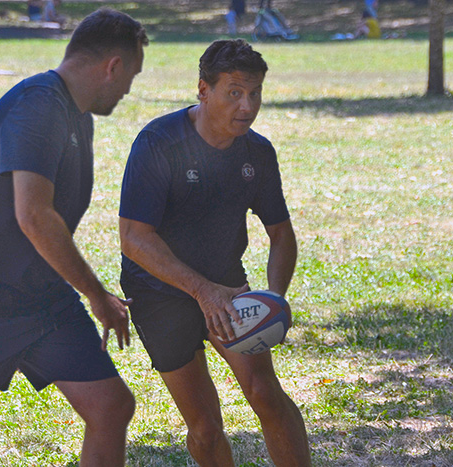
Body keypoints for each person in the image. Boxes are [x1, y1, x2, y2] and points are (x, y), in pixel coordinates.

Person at [0, 8, 148, 467]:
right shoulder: (39, 105)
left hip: (39, 298)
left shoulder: (78, 116)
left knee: (111, 406)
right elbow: (34, 216)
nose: (128, 89)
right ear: (112, 66)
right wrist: (96, 294)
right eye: (130, 75)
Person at [119, 39, 311, 467]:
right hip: (158, 292)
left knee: (265, 395)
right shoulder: (158, 143)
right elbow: (134, 238)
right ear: (203, 90)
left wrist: (275, 296)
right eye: (234, 92)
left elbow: (281, 234)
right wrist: (203, 291)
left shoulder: (257, 153)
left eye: (255, 92)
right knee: (205, 427)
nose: (247, 105)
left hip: (226, 283)